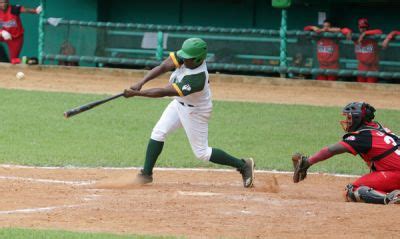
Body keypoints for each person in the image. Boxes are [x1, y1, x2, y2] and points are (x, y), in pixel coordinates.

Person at [123, 38, 255, 188]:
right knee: (158, 133)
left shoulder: (197, 78)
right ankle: (146, 174)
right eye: (183, 56)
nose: (183, 59)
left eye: (188, 58)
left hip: (196, 111)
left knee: (202, 153)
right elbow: (162, 67)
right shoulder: (188, 56)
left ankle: (243, 165)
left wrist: (137, 94)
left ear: (199, 59)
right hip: (179, 104)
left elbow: (164, 91)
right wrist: (141, 83)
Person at [292, 102, 400, 205]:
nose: (347, 121)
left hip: (396, 174)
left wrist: (308, 161)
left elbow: (332, 150)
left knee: (353, 190)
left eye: (349, 118)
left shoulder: (362, 136)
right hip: (394, 172)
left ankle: (392, 198)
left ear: (358, 118)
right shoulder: (378, 128)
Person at [0, 0, 42, 64]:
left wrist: (36, 11)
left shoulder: (14, 9)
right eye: (1, 2)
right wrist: (1, 32)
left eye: (5, 2)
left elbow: (25, 10)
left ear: (8, 3)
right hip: (4, 35)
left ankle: (30, 60)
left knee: (13, 60)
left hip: (16, 38)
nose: (3, 4)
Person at [354, 18, 382, 83]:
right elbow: (345, 31)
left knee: (371, 89)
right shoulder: (355, 37)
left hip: (372, 68)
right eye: (361, 27)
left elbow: (379, 31)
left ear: (367, 27)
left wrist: (365, 33)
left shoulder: (373, 37)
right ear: (358, 27)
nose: (362, 29)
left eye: (364, 27)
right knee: (360, 88)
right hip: (361, 68)